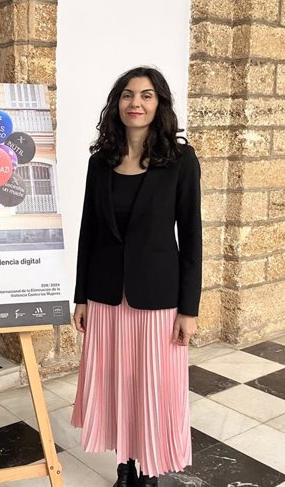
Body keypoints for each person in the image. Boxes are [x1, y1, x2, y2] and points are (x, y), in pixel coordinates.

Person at [71, 67, 201, 487]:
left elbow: (192, 237)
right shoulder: (100, 162)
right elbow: (88, 232)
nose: (136, 103)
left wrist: (189, 308)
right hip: (107, 295)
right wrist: (81, 297)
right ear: (117, 103)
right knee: (117, 384)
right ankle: (125, 464)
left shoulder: (180, 162)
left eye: (146, 95)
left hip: (158, 298)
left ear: (159, 104)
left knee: (154, 386)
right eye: (128, 95)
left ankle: (149, 468)